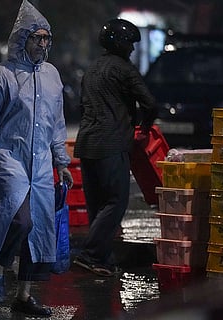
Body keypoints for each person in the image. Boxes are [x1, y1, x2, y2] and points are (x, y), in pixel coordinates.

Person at [0, 0, 73, 317]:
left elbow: (56, 122)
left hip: (40, 165)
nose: (42, 43)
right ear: (21, 39)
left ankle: (24, 295)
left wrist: (61, 161)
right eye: (36, 37)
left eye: (46, 38)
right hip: (7, 161)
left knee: (39, 229)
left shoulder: (52, 76)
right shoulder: (0, 76)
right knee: (20, 220)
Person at [72, 18, 157, 277]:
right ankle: (90, 254)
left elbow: (83, 105)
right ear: (120, 44)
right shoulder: (124, 70)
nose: (132, 48)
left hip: (87, 144)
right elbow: (150, 104)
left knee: (98, 205)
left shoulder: (93, 68)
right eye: (130, 43)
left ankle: (102, 259)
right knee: (116, 202)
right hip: (111, 144)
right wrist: (143, 127)